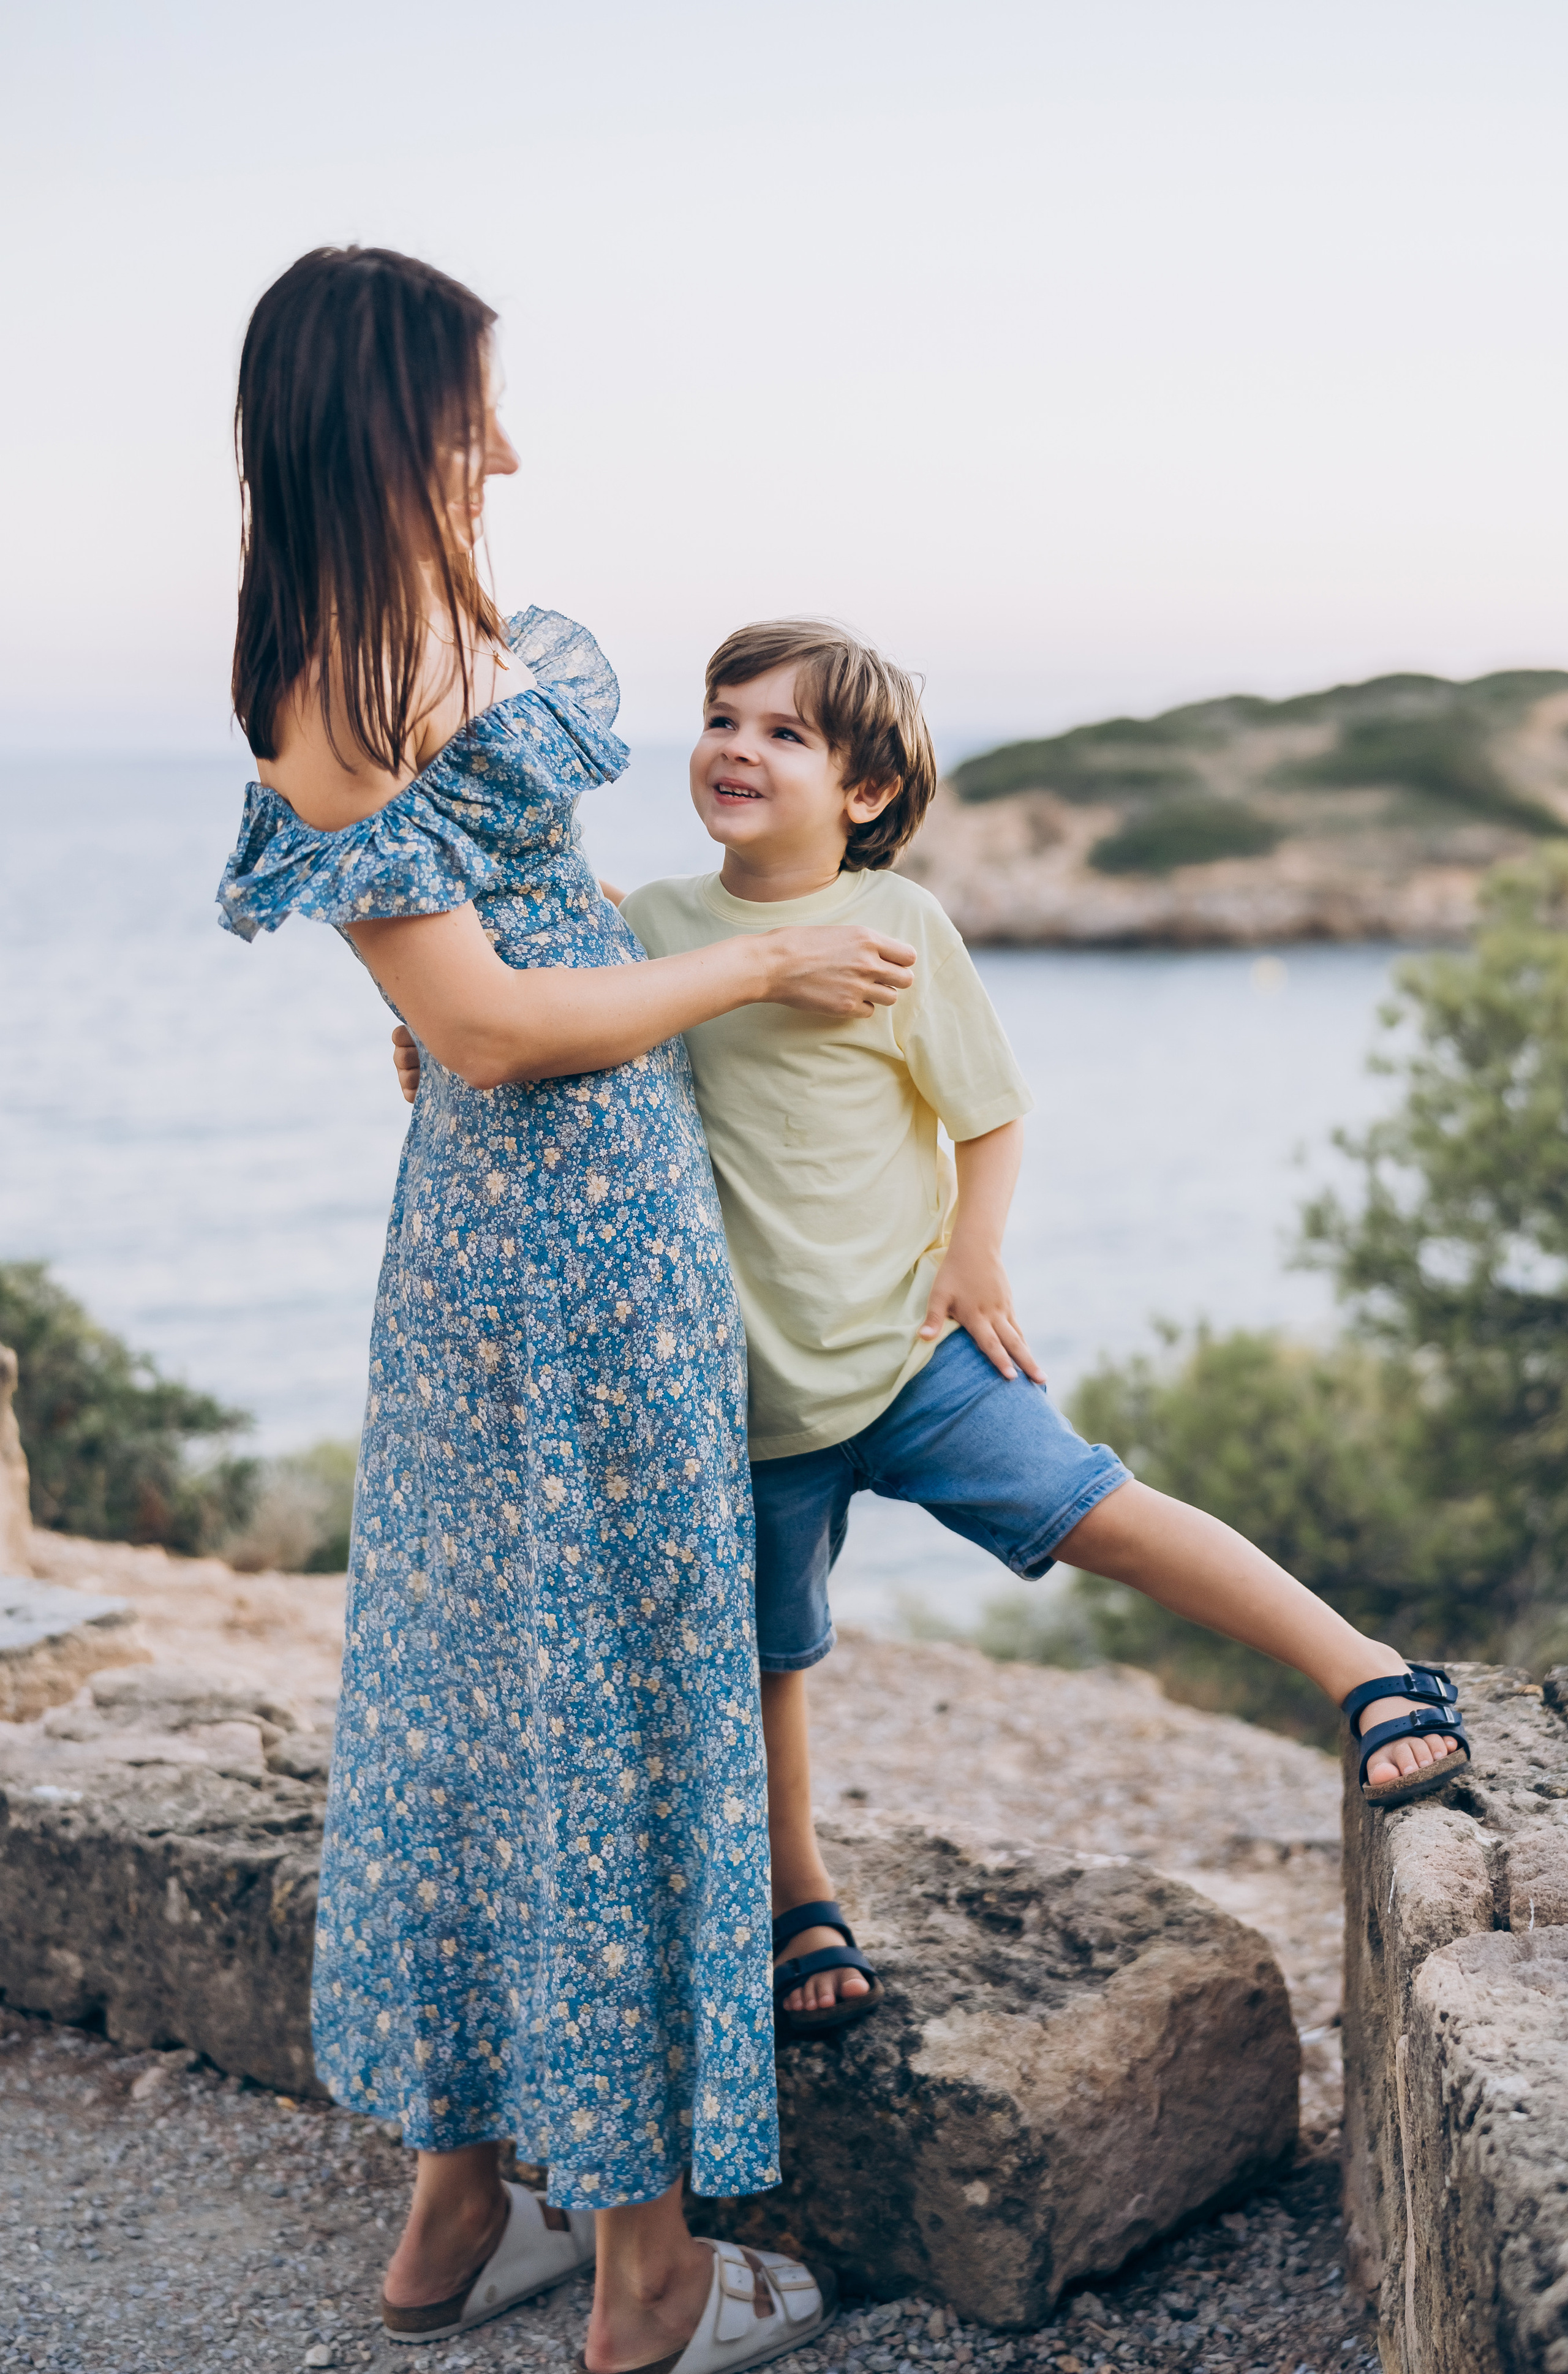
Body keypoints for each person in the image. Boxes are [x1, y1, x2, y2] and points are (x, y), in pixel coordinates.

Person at [398, 617, 1471, 2041]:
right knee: (764, 1659)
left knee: (1097, 1506)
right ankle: (797, 1898)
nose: (737, 746)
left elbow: (991, 1109)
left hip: (911, 1355)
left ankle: (1366, 1675)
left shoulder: (896, 926)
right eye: (723, 717)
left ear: (863, 794)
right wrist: (431, 1030)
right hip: (739, 1400)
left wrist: (974, 1257)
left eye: (787, 733)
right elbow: (539, 1006)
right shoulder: (650, 927)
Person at [219, 250, 914, 2367]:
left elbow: (471, 968)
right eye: (469, 416)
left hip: (478, 1231)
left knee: (468, 1673)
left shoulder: (349, 642)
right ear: (386, 420)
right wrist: (758, 966)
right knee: (610, 1684)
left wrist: (559, 976)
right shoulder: (352, 668)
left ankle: (452, 2202)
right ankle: (642, 2261)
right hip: (575, 1217)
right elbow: (497, 1025)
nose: (501, 448)